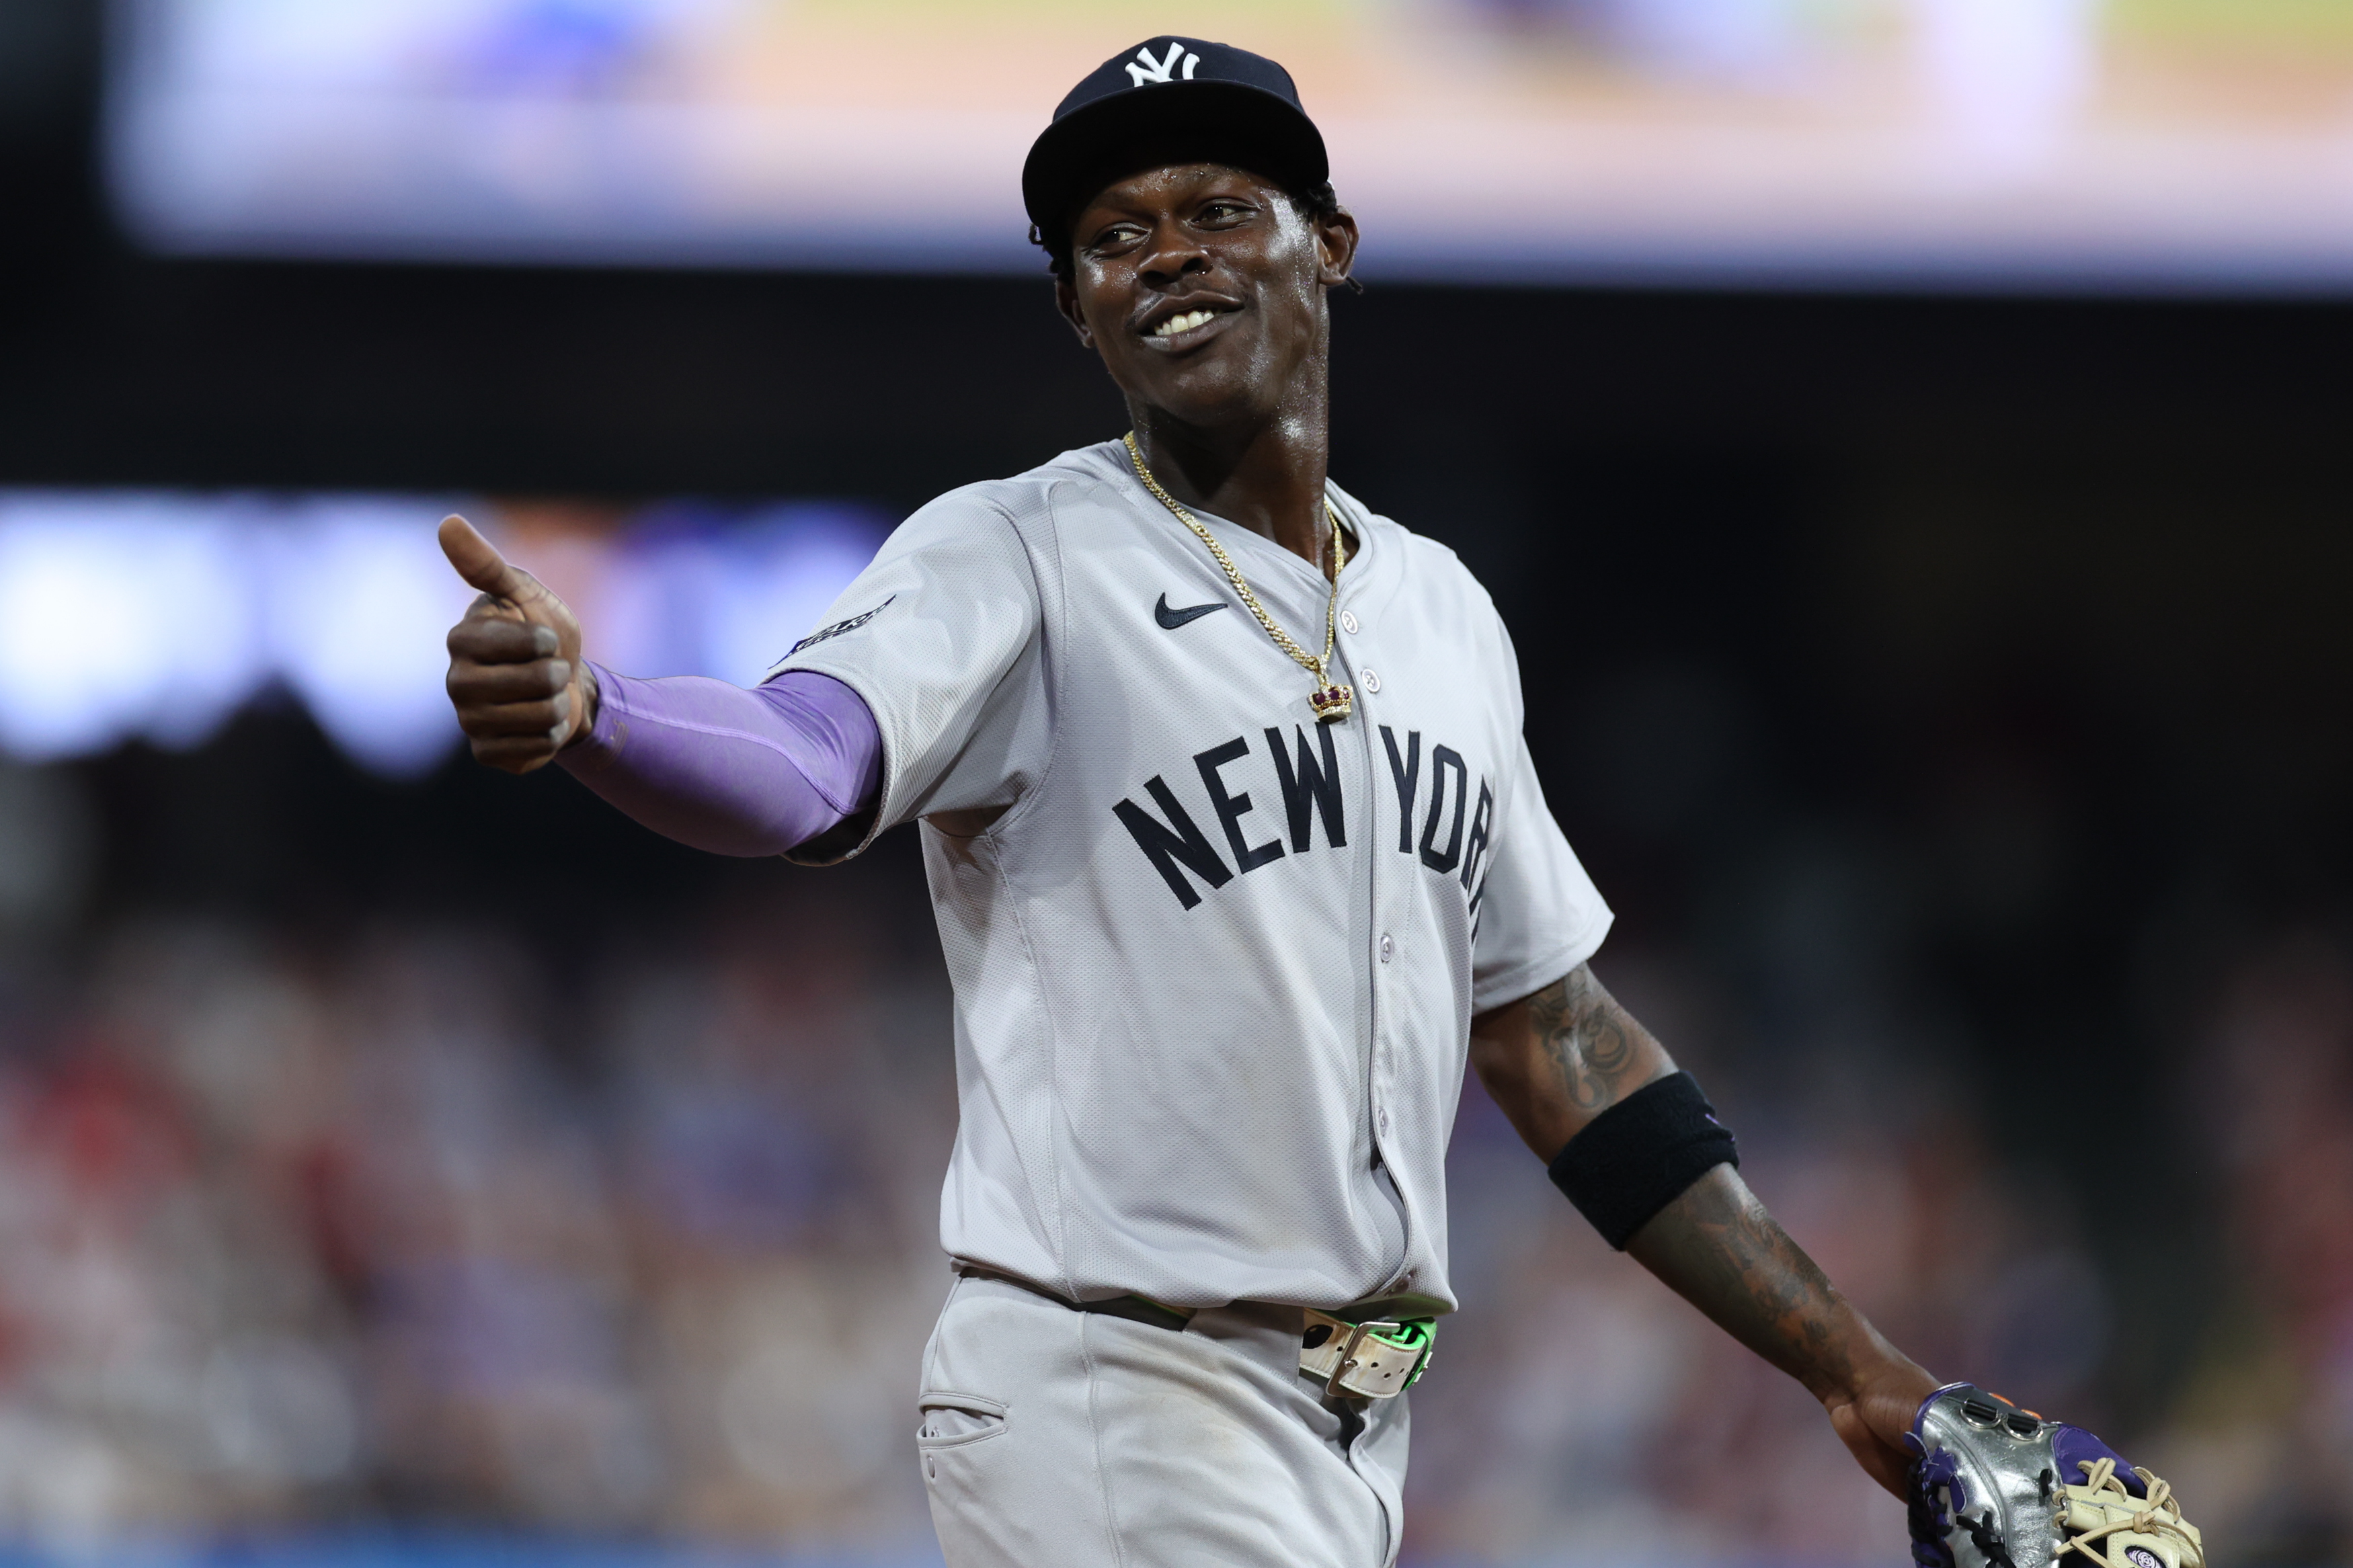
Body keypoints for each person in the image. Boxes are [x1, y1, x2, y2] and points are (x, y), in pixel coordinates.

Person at [438, 36, 1939, 1568]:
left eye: (1218, 207)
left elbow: (1554, 1041)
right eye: (1113, 235)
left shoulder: (1437, 612)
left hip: (1352, 1413)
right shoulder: (1017, 554)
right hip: (1115, 1385)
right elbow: (806, 763)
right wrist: (598, 711)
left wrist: (1855, 1371)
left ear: (1327, 247)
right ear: (1075, 308)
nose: (1167, 254)